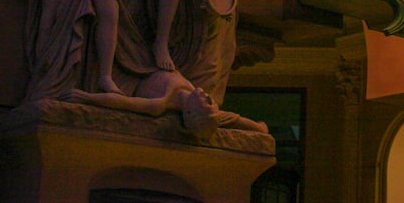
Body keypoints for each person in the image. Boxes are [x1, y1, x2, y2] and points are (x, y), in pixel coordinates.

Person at [60, 68, 267, 135]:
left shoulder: (160, 104)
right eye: (212, 103)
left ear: (189, 114)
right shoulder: (204, 108)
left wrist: (87, 98)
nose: (209, 98)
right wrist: (260, 128)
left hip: (137, 68)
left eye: (206, 104)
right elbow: (235, 120)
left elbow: (122, 103)